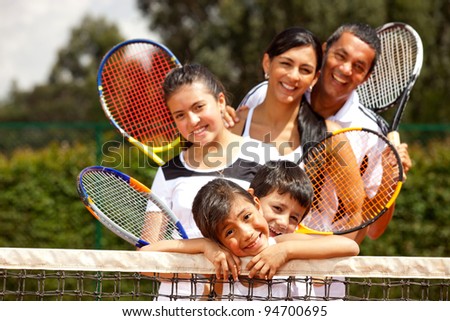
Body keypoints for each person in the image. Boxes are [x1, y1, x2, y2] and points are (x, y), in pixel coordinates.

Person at [225, 23, 412, 243]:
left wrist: (390, 181)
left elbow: (372, 228)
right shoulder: (269, 93)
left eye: (359, 66)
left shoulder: (369, 134)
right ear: (323, 54)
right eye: (340, 56)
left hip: (318, 265)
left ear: (367, 77)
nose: (345, 69)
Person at [146, 63, 271, 300]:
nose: (192, 120)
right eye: (180, 115)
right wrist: (204, 251)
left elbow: (282, 232)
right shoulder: (168, 173)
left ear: (221, 102)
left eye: (199, 107)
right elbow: (146, 260)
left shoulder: (265, 157)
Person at [142, 178, 359, 300]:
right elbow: (144, 259)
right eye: (229, 232)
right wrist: (204, 245)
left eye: (247, 217)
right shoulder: (217, 266)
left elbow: (350, 246)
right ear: (218, 239)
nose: (246, 233)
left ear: (257, 204)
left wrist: (286, 252)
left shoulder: (284, 243)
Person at [226, 26, 342, 163]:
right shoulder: (233, 126)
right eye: (286, 64)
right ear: (267, 63)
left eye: (305, 70)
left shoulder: (330, 136)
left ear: (315, 78)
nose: (293, 76)